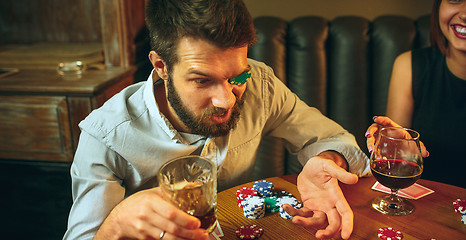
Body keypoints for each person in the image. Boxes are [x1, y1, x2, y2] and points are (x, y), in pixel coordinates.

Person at [63, 0, 371, 239]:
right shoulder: (105, 136)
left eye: (238, 76)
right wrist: (116, 223)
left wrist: (328, 158)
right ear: (161, 66)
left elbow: (332, 140)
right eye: (201, 81)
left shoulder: (260, 83)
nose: (227, 100)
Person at [366, 0, 466, 188]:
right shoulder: (409, 67)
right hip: (421, 210)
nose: (465, 14)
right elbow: (396, 159)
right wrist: (392, 147)